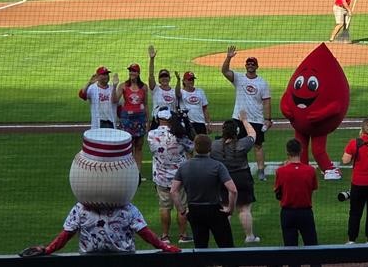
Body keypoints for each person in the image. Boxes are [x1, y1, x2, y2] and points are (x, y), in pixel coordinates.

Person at [19, 202, 181, 256]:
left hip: (89, 259)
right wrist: (164, 246)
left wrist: (48, 250)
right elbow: (145, 234)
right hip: (125, 258)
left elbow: (66, 235)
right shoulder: (127, 208)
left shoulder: (80, 208)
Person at [171, 134, 238, 248]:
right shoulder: (217, 166)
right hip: (214, 209)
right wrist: (230, 209)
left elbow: (173, 191)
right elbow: (233, 190)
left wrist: (182, 210)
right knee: (226, 246)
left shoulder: (184, 166)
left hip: (195, 210)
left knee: (200, 247)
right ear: (210, 148)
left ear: (195, 148)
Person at [221, 45, 272, 181]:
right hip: (238, 118)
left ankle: (261, 171)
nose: (250, 66)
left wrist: (268, 119)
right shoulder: (239, 78)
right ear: (245, 66)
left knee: (258, 145)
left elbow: (267, 102)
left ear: (257, 66)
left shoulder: (262, 83)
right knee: (234, 143)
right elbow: (225, 71)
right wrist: (228, 57)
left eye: (253, 64)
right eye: (248, 63)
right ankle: (236, 168)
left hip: (256, 119)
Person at [210, 111, 260, 243]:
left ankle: (222, 236)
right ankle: (249, 236)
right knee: (244, 209)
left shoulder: (214, 146)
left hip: (223, 179)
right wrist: (244, 120)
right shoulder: (242, 144)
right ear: (236, 132)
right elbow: (253, 134)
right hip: (242, 178)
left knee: (225, 208)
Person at [147, 107, 194, 244]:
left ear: (158, 119)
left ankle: (165, 236)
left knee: (164, 207)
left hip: (161, 177)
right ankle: (183, 235)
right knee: (182, 206)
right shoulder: (179, 134)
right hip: (180, 177)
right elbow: (192, 146)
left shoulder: (151, 134)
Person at [275, 138, 319, 246]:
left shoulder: (280, 171)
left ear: (287, 152)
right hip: (305, 213)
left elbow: (278, 194)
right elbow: (313, 188)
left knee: (290, 249)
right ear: (301, 151)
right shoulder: (311, 170)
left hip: (287, 213)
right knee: (312, 246)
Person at [111, 63, 148, 173]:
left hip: (140, 118)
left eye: (134, 71)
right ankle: (129, 170)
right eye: (130, 71)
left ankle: (138, 172)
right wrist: (114, 86)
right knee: (129, 145)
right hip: (127, 118)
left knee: (139, 146)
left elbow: (145, 104)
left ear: (138, 73)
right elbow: (114, 100)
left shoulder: (144, 87)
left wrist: (147, 121)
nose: (132, 73)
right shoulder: (123, 86)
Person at [147, 45, 179, 115]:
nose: (164, 78)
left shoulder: (174, 91)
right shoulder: (155, 89)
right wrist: (152, 59)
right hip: (158, 121)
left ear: (169, 78)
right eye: (162, 76)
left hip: (171, 121)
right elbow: (151, 75)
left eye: (166, 76)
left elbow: (177, 107)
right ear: (159, 79)